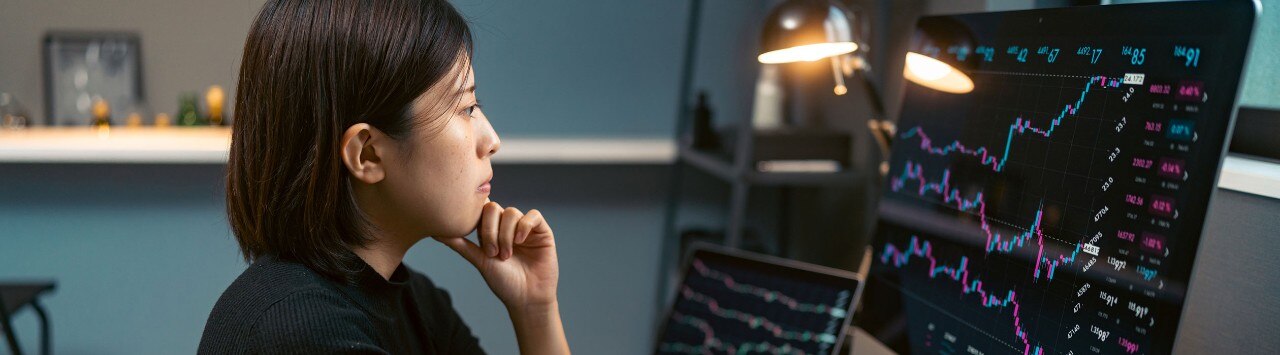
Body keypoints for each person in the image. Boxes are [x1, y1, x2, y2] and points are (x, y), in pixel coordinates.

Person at [197, 0, 569, 353]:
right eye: (466, 107)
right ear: (368, 153)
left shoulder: (417, 304)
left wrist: (535, 309)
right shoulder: (298, 331)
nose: (492, 141)